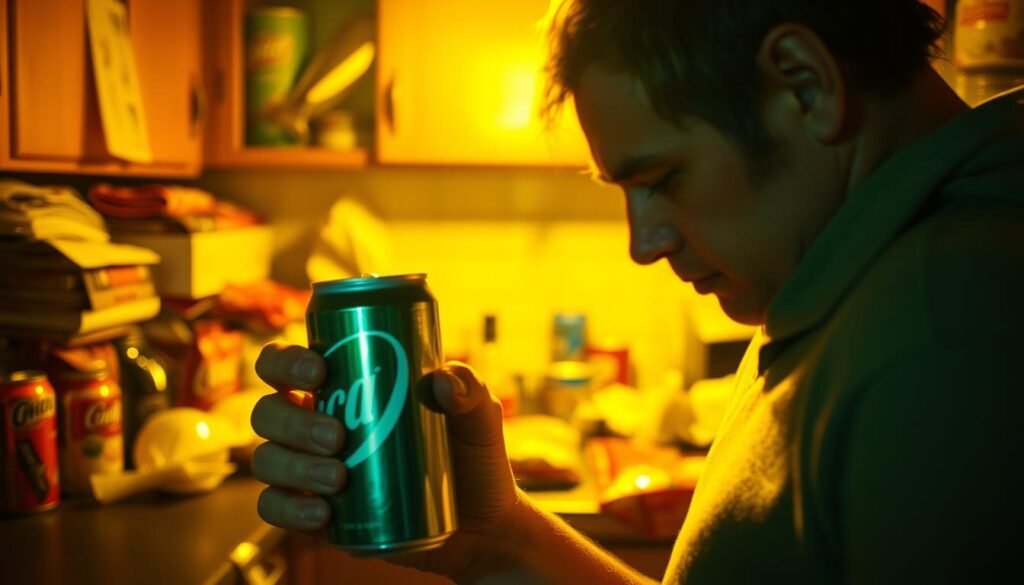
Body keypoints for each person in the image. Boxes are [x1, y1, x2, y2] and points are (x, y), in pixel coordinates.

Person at [250, 0, 1023, 583]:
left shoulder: (946, 333)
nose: (643, 242)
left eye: (663, 179)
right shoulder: (851, 270)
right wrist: (497, 538)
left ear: (805, 84)